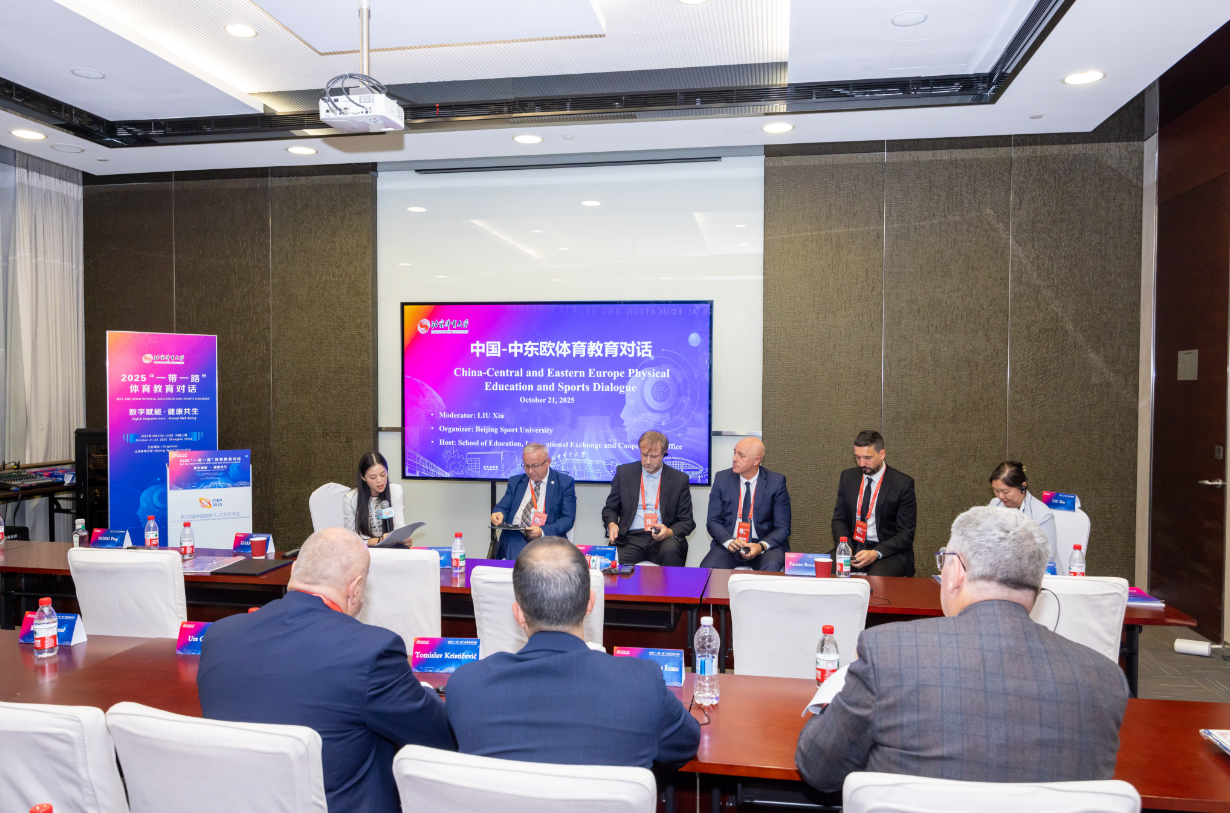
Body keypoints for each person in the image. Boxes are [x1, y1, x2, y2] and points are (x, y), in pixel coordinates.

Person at [796, 506, 1129, 790]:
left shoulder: (887, 652)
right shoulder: (1106, 679)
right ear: (1038, 585)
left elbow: (819, 767)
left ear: (954, 572)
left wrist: (845, 689)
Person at [197, 528, 453, 813]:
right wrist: (426, 693)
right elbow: (439, 738)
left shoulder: (220, 635)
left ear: (294, 570)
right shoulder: (372, 651)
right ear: (356, 587)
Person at [446, 536, 701, 767]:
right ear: (590, 603)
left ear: (519, 614)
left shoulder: (466, 686)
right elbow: (686, 744)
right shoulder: (643, 684)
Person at [601, 430, 696, 566]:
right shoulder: (624, 473)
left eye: (654, 456)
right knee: (611, 563)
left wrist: (669, 532)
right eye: (644, 455)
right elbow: (610, 509)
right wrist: (611, 524)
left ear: (664, 453)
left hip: (662, 539)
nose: (648, 461)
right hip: (630, 538)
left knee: (671, 551)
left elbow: (687, 522)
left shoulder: (679, 480)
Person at [830, 430, 916, 576]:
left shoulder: (902, 484)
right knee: (823, 571)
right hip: (854, 547)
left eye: (867, 458)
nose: (862, 463)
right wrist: (845, 546)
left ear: (882, 454)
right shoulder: (848, 478)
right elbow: (839, 519)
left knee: (875, 580)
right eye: (858, 457)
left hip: (887, 552)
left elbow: (905, 533)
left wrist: (876, 552)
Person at [699, 437, 792, 571]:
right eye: (734, 453)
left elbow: (783, 528)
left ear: (756, 460)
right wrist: (729, 541)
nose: (734, 459)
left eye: (741, 455)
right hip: (732, 543)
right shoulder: (721, 479)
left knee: (771, 566)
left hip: (764, 546)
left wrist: (761, 546)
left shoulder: (776, 482)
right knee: (707, 568)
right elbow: (713, 521)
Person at [490, 442, 577, 560]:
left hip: (547, 538)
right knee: (512, 538)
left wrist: (542, 531)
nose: (530, 471)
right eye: (526, 466)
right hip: (515, 536)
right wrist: (499, 513)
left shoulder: (564, 483)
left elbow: (567, 519)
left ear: (548, 462)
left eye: (535, 466)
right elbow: (503, 506)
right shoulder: (515, 482)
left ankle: (520, 569)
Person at [988, 460, 1057, 563]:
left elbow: (1047, 557)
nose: (1000, 496)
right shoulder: (995, 504)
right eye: (996, 491)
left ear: (1022, 487)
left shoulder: (1042, 515)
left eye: (1005, 492)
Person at [342, 451, 405, 546]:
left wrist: (403, 538)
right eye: (373, 477)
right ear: (363, 477)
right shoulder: (350, 499)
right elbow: (351, 538)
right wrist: (380, 540)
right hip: (364, 548)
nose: (380, 481)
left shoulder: (395, 491)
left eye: (383, 474)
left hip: (392, 546)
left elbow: (399, 526)